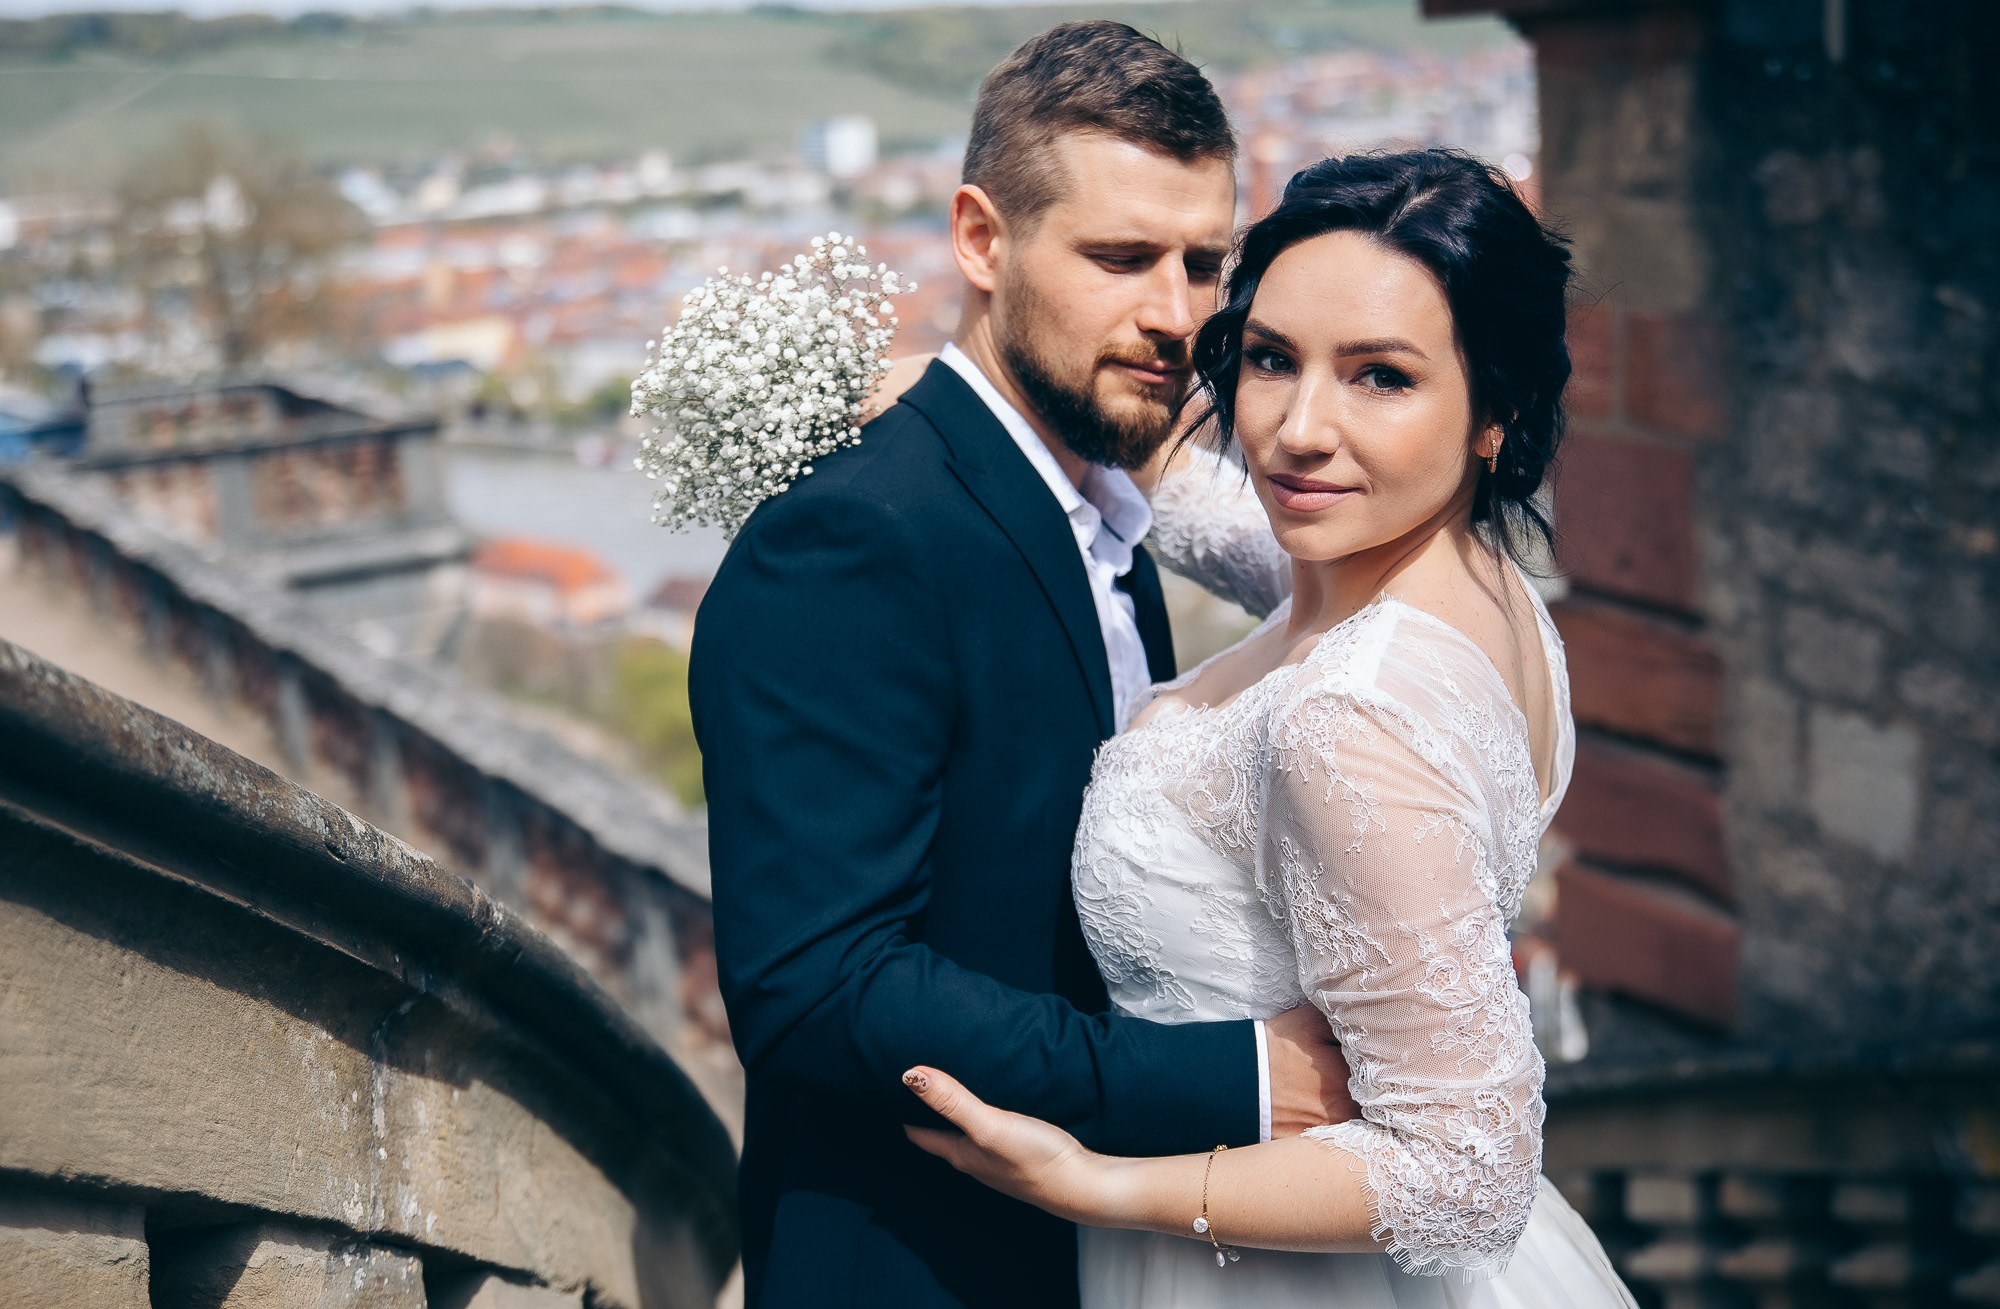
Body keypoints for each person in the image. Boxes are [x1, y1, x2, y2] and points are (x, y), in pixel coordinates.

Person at [896, 150, 1641, 1309]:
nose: (1297, 431)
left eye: (1379, 377)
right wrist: (959, 399)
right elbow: (1227, 522)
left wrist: (1101, 1185)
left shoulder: (1349, 717)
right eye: (1269, 360)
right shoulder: (1473, 591)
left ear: (1493, 410)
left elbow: (1468, 1169)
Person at [688, 23, 1357, 1309]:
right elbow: (815, 983)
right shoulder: (850, 539)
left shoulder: (1095, 513)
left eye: (1202, 264)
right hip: (920, 1269)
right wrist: (1232, 1079)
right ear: (982, 240)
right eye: (1119, 258)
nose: (1174, 314)